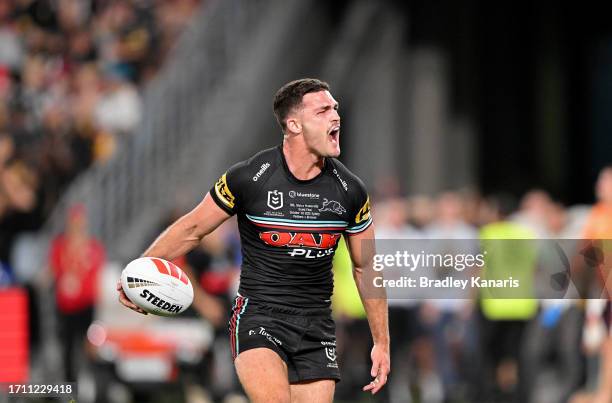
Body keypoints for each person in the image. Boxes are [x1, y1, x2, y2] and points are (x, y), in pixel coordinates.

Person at [117, 78, 390, 402]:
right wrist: (139, 269)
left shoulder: (351, 190)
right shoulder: (249, 177)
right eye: (322, 110)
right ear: (294, 124)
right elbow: (192, 228)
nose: (335, 116)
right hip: (260, 318)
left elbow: (367, 266)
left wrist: (381, 341)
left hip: (316, 326)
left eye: (335, 108)